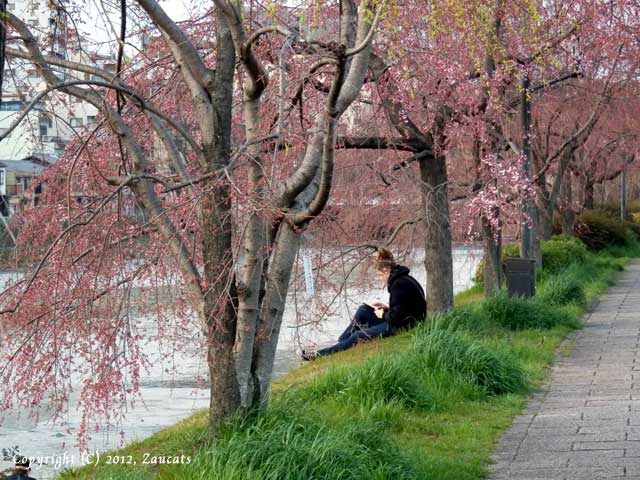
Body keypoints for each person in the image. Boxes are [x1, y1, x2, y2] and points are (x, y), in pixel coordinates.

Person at [301, 247, 426, 360]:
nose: (380, 278)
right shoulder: (403, 280)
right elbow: (404, 308)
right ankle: (341, 344)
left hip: (404, 326)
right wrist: (386, 308)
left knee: (358, 336)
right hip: (403, 319)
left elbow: (397, 318)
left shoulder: (399, 284)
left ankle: (319, 355)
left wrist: (382, 314)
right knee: (364, 310)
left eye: (380, 275)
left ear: (386, 271)